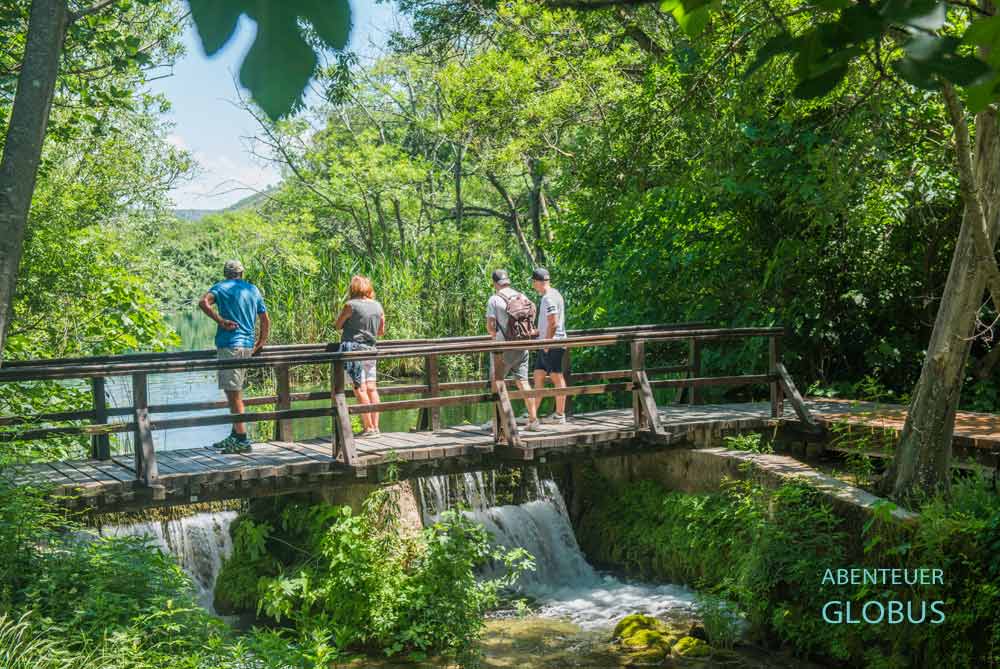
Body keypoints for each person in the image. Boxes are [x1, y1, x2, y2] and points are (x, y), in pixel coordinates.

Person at [198, 259, 270, 453]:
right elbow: (265, 319)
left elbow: (203, 302)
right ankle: (234, 435)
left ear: (225, 273)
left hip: (230, 345)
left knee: (233, 393)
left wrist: (220, 321)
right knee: (235, 391)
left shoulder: (220, 288)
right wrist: (261, 342)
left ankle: (242, 440)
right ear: (242, 273)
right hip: (247, 346)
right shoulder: (252, 289)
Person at [485, 269, 541, 431]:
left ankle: (499, 422)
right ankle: (533, 420)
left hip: (503, 348)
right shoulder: (521, 296)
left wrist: (494, 336)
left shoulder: (494, 300)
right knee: (523, 381)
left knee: (498, 383)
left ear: (495, 283)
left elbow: (490, 327)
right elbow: (533, 309)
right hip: (522, 345)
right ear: (508, 281)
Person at [334, 275, 385, 436]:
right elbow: (381, 331)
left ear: (353, 289)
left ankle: (368, 428)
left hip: (353, 352)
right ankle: (375, 427)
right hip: (371, 350)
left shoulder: (350, 305)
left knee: (360, 389)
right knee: (372, 388)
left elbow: (338, 325)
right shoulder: (378, 306)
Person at [531, 267, 568, 424]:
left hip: (553, 343)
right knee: (538, 375)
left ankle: (559, 415)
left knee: (556, 377)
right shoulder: (555, 293)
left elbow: (553, 321)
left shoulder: (548, 298)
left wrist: (547, 341)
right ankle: (532, 413)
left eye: (533, 283)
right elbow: (550, 322)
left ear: (538, 282)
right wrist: (537, 333)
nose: (533, 286)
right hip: (547, 342)